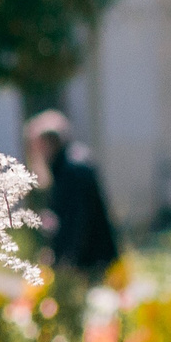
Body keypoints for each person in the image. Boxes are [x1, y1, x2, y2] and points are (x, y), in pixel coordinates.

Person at [24, 109, 119, 274]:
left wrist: (65, 259)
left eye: (37, 146)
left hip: (91, 260)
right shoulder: (69, 162)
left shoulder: (72, 169)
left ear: (48, 142)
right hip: (93, 256)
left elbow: (76, 220)